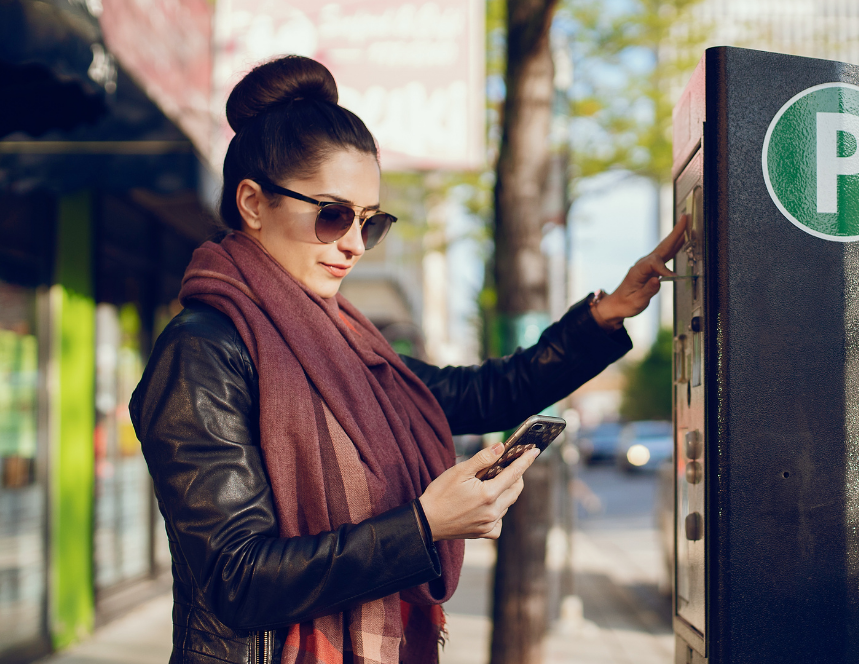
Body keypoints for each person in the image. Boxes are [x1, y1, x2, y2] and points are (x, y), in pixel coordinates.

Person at [129, 55, 686, 664]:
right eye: (333, 214)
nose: (352, 245)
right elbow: (237, 578)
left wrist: (604, 319)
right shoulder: (202, 351)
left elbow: (478, 395)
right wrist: (423, 527)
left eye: (370, 222)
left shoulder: (346, 341)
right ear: (253, 203)